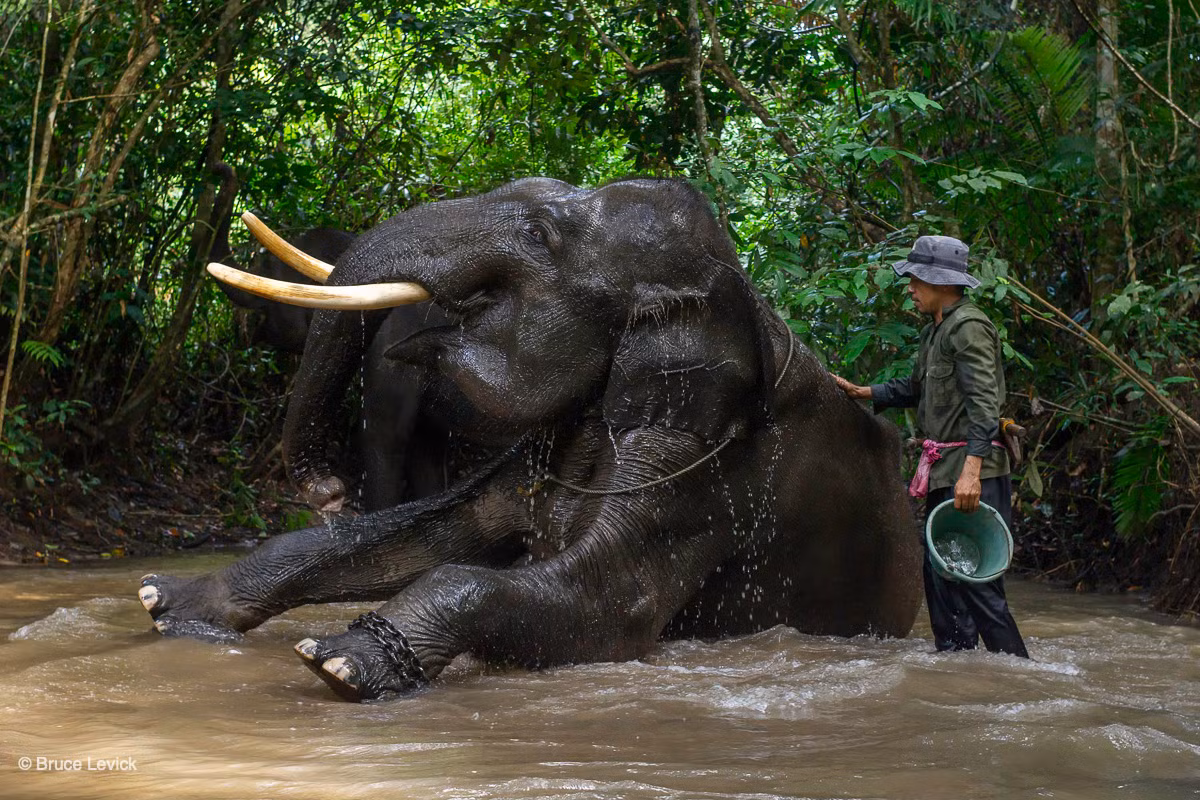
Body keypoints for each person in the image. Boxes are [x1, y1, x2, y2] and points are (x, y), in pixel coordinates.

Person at [833, 235, 1029, 658]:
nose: (910, 287)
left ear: (942, 282)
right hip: (945, 470)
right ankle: (958, 672)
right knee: (942, 582)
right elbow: (918, 388)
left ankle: (1020, 678)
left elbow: (984, 405)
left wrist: (972, 471)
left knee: (978, 584)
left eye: (917, 279)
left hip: (972, 471)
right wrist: (864, 392)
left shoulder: (969, 327)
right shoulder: (935, 332)